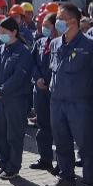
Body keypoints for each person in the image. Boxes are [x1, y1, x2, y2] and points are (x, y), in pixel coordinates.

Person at [44, 3, 93, 186]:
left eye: (61, 18)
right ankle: (66, 179)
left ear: (74, 21)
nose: (57, 21)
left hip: (82, 104)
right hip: (57, 102)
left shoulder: (92, 45)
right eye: (57, 18)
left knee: (86, 146)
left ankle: (89, 185)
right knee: (61, 143)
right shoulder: (55, 43)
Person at [0, 17, 35, 180]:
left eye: (3, 32)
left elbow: (19, 76)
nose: (0, 35)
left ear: (14, 32)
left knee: (13, 135)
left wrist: (1, 90)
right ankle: (4, 163)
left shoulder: (23, 52)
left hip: (15, 99)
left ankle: (13, 167)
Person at [30, 11, 59, 173]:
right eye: (43, 26)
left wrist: (50, 82)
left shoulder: (61, 43)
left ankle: (61, 164)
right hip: (40, 91)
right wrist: (37, 78)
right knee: (43, 126)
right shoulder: (40, 43)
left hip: (55, 91)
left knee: (59, 128)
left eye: (47, 26)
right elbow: (32, 62)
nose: (43, 29)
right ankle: (45, 159)